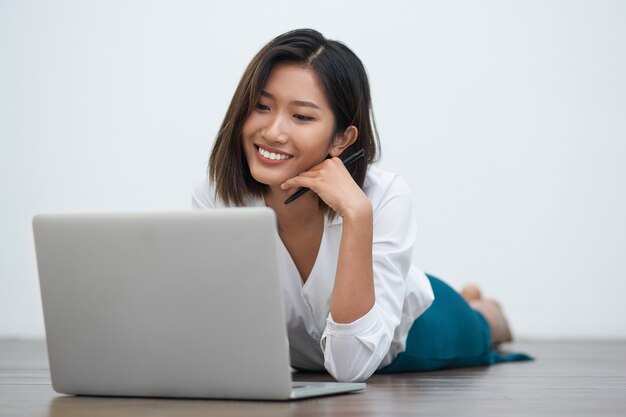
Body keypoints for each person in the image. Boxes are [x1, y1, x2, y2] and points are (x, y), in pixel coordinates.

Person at [192, 28, 531, 382]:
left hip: (415, 334)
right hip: (310, 356)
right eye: (262, 106)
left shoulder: (384, 196)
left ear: (341, 138)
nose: (273, 131)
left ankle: (482, 305)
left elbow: (351, 367)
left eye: (301, 116)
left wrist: (357, 214)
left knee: (484, 327)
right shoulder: (214, 198)